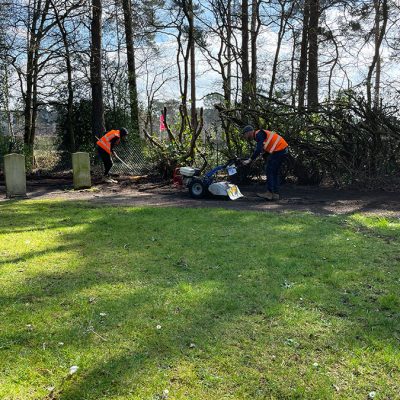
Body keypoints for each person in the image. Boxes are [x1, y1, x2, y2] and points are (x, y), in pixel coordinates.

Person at [241, 125, 288, 200]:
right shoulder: (260, 135)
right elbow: (266, 149)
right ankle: (275, 194)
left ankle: (269, 193)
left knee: (269, 171)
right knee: (274, 172)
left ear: (249, 132)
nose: (245, 137)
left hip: (279, 150)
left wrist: (250, 160)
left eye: (245, 134)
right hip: (282, 150)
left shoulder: (258, 134)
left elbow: (258, 149)